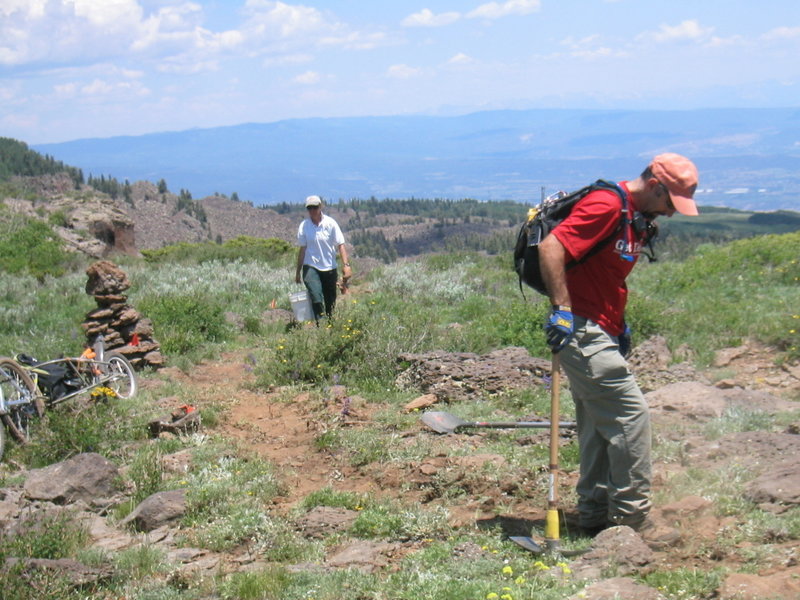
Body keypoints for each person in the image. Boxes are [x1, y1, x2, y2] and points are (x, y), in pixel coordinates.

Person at [538, 153, 699, 548]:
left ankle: (593, 513)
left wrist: (618, 324)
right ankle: (631, 518)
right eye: (670, 203)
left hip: (602, 328)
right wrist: (562, 310)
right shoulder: (608, 205)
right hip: (581, 328)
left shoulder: (635, 216)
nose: (672, 214)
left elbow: (605, 273)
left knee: (597, 421)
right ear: (657, 186)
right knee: (630, 416)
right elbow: (551, 247)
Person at [295, 195, 352, 322]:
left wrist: (346, 265)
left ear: (320, 207)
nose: (312, 210)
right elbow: (302, 250)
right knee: (316, 296)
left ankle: (330, 323)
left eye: (315, 207)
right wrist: (298, 272)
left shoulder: (330, 224)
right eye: (309, 208)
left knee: (330, 299)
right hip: (311, 266)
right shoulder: (304, 226)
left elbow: (340, 245)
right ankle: (320, 325)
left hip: (329, 267)